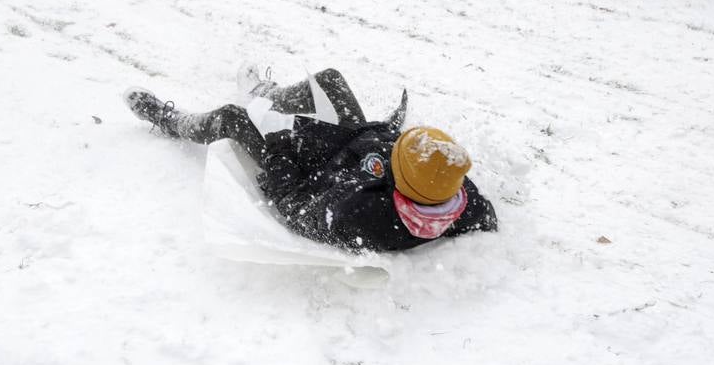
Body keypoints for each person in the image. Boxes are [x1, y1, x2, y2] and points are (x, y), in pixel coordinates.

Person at [125, 67, 498, 252]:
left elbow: (294, 207)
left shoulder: (360, 215)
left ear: (402, 179)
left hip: (308, 166)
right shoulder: (456, 193)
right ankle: (265, 92)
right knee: (331, 80)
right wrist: (384, 137)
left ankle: (168, 120)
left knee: (231, 117)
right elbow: (486, 216)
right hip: (355, 144)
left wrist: (280, 145)